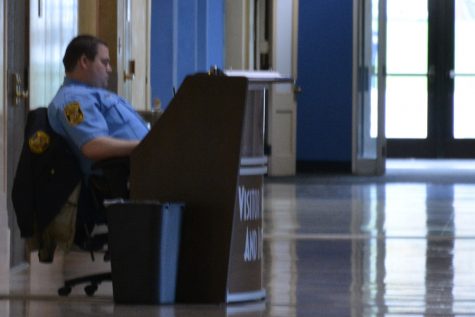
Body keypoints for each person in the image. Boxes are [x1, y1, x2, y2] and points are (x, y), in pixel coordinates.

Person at [48, 34, 149, 177]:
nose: (109, 69)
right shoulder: (72, 101)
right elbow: (93, 146)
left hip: (146, 168)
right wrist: (148, 146)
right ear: (84, 61)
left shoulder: (92, 94)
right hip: (127, 178)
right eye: (104, 62)